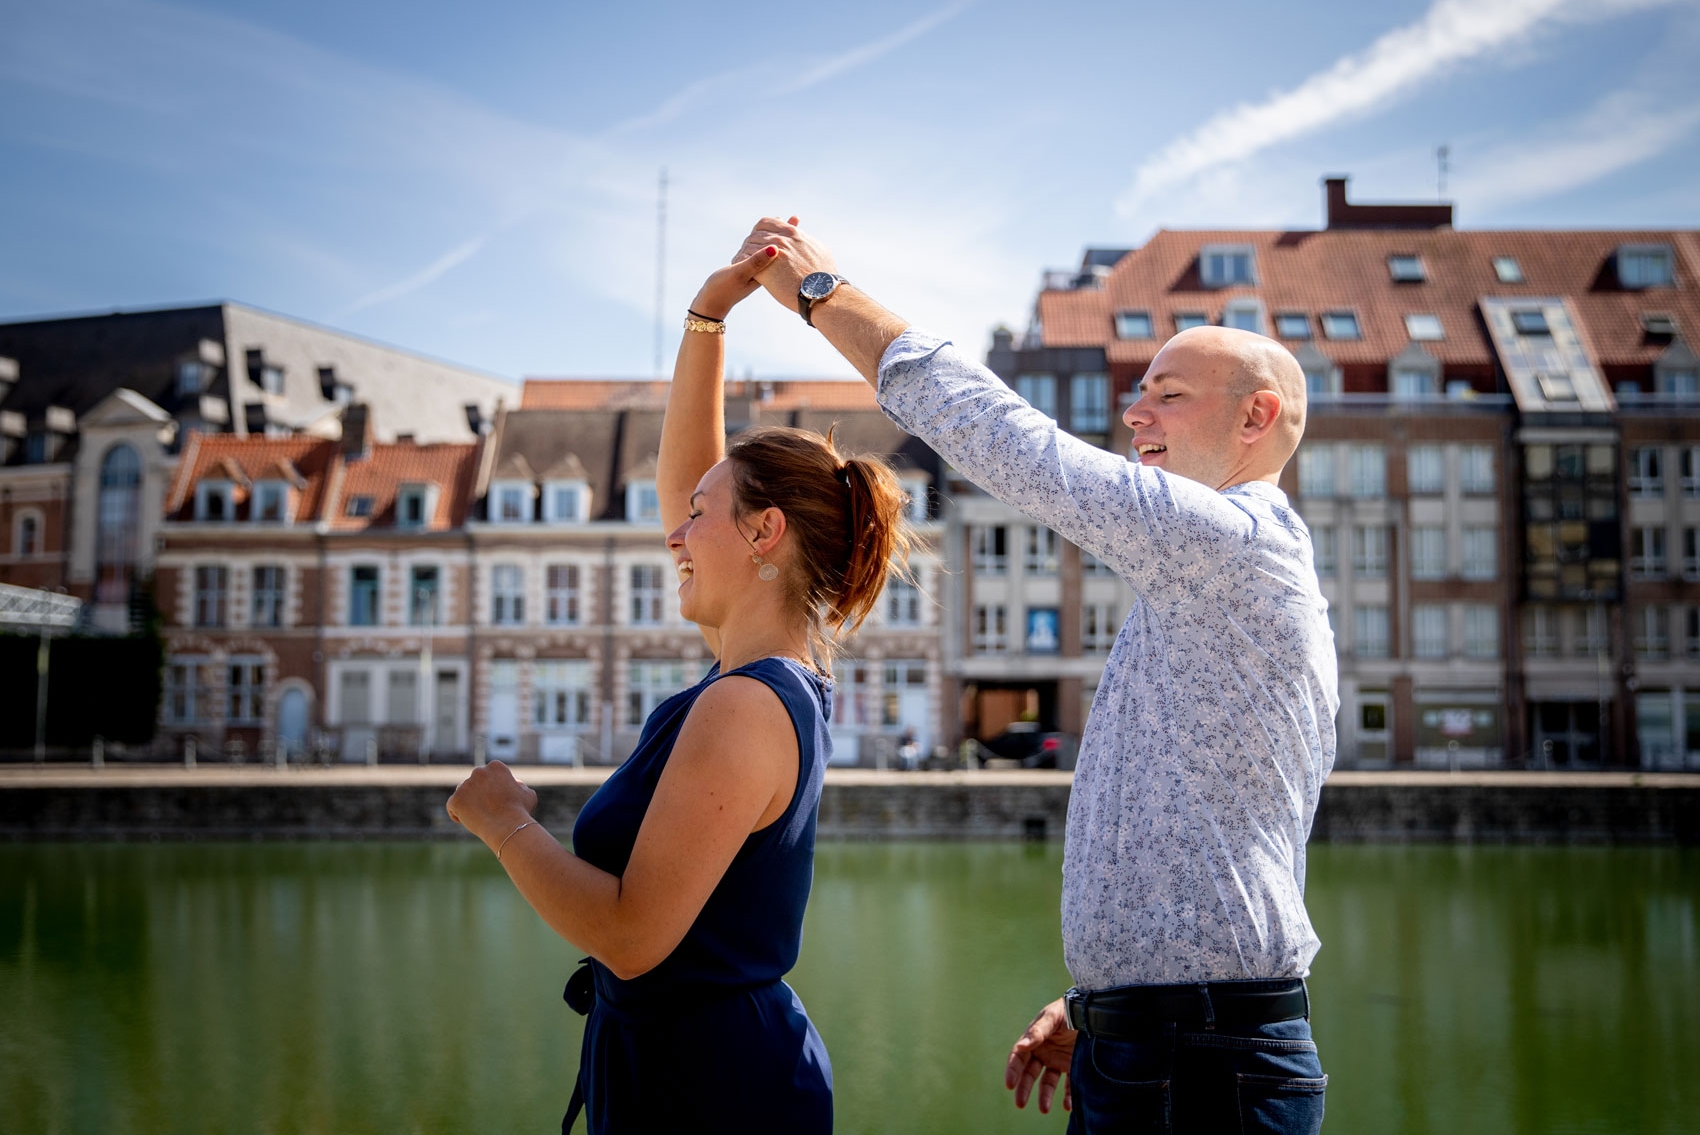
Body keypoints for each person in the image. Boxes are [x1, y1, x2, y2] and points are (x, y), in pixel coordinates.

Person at [733, 217, 1338, 1134]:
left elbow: (1014, 448)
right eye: (1139, 393)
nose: (1135, 414)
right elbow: (1214, 827)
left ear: (1256, 417)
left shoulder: (1235, 544)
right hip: (1162, 1038)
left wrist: (823, 296)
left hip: (1201, 1056)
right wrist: (1100, 1002)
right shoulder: (1202, 581)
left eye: (1167, 395)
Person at [446, 243, 914, 1134]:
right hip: (701, 1066)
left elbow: (630, 936)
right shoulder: (766, 674)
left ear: (765, 532)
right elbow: (685, 482)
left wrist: (504, 821)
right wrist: (709, 318)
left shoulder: (743, 705)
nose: (676, 535)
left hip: (711, 1090)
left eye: (700, 517)